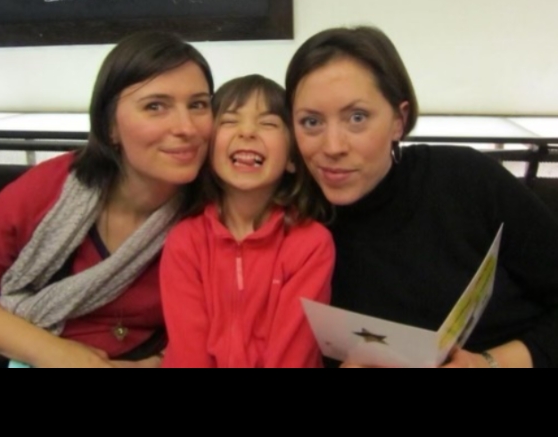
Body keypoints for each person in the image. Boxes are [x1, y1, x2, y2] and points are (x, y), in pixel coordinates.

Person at [286, 26, 558, 369]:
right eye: (311, 122)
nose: (333, 147)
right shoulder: (292, 222)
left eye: (357, 118)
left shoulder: (466, 179)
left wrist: (489, 363)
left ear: (398, 121)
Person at [0, 31, 214, 368]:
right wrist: (56, 354)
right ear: (110, 127)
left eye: (198, 105)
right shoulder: (48, 189)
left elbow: (233, 326)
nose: (187, 127)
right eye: (155, 106)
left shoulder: (218, 213)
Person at [160, 75, 335, 369]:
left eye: (268, 124)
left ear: (292, 158)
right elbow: (189, 353)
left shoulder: (311, 244)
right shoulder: (185, 241)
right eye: (230, 121)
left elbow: (293, 356)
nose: (247, 132)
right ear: (209, 150)